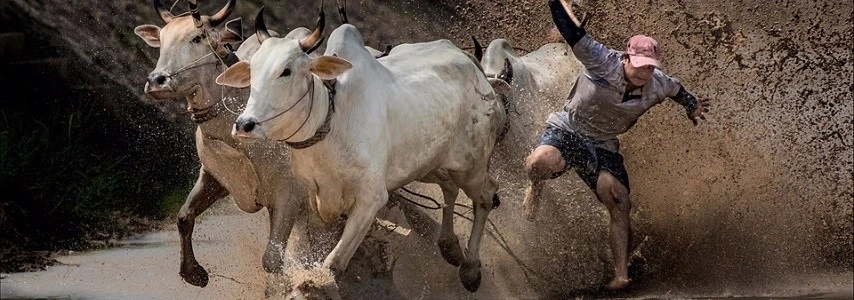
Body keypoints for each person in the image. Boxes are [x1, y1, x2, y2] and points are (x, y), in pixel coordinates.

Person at [523, 0, 710, 290]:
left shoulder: (659, 83)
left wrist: (692, 106)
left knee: (620, 200)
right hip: (568, 129)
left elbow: (678, 91)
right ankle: (536, 187)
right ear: (626, 57)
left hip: (603, 145)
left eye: (650, 68)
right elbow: (570, 31)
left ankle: (621, 275)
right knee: (540, 162)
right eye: (639, 66)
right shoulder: (601, 59)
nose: (643, 74)